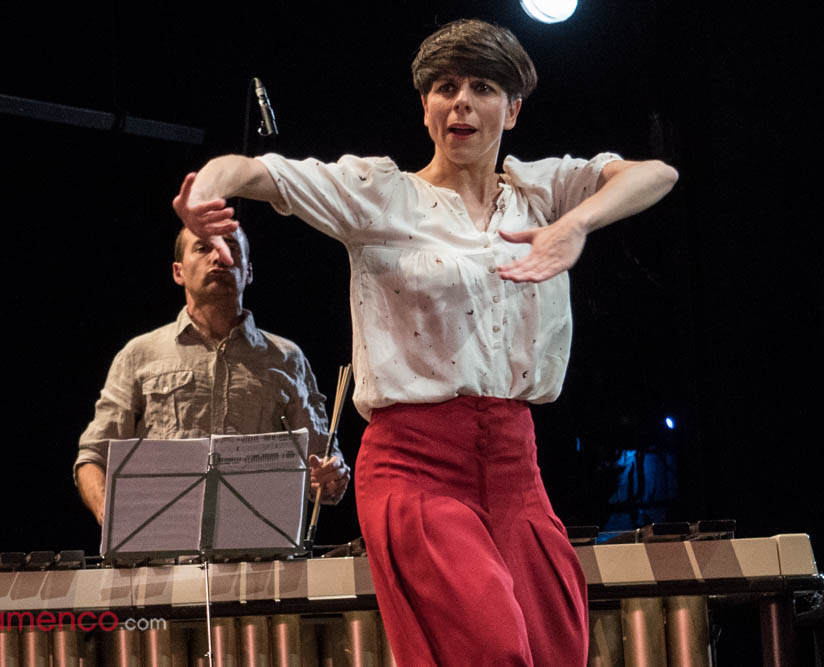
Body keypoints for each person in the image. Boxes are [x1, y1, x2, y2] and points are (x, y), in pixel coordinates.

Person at [172, 19, 677, 666]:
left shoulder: (541, 191)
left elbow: (656, 174)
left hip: (515, 466)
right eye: (446, 87)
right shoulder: (381, 195)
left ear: (512, 110)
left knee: (557, 646)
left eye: (482, 88)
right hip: (415, 467)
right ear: (426, 107)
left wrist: (575, 224)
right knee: (493, 648)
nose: (461, 101)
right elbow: (253, 170)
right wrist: (207, 190)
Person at [74, 225, 350, 526]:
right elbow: (93, 457)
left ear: (248, 272)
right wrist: (108, 512)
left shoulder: (287, 358)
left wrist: (330, 476)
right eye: (203, 248)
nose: (219, 256)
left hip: (258, 545)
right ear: (178, 272)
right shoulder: (139, 355)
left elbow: (322, 465)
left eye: (230, 247)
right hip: (164, 545)